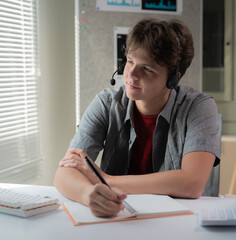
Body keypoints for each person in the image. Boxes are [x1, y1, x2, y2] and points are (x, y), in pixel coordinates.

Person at [53, 18, 220, 217]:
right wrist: (89, 194)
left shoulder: (198, 107)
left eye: (147, 69)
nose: (130, 75)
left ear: (174, 77)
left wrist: (105, 180)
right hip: (121, 217)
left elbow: (192, 184)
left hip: (178, 221)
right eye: (130, 61)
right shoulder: (107, 103)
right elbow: (64, 171)